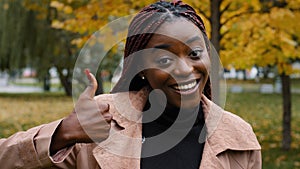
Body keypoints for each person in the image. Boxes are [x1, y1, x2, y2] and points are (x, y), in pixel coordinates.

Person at [0, 1, 261, 168]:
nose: (184, 70)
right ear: (142, 68)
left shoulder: (239, 136)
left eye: (194, 53)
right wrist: (62, 133)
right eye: (163, 58)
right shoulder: (101, 121)